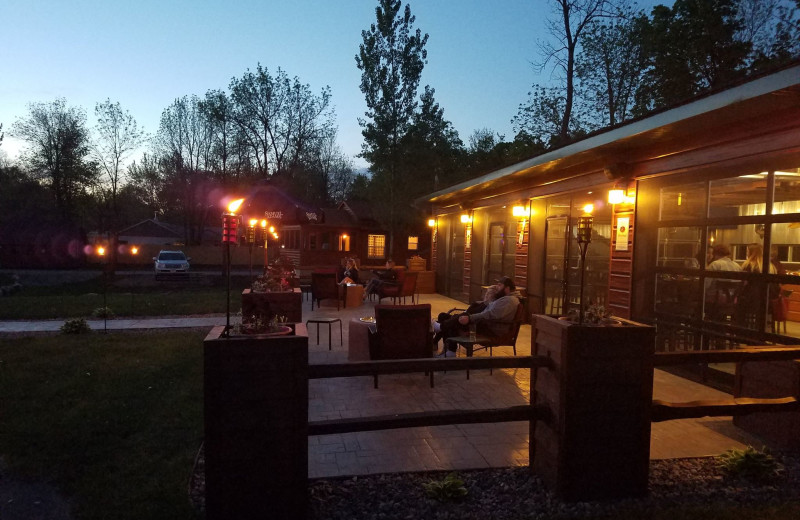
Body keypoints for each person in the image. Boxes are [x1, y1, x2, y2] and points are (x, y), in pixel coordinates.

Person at [435, 276, 521, 357]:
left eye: (499, 285)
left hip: (491, 329)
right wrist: (489, 299)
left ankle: (442, 334)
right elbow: (487, 308)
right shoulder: (504, 298)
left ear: (507, 288)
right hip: (486, 324)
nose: (497, 288)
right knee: (447, 317)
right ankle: (447, 348)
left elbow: (491, 314)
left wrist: (470, 318)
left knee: (454, 320)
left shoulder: (509, 300)